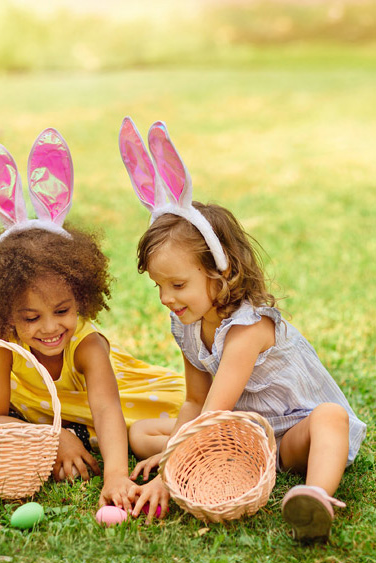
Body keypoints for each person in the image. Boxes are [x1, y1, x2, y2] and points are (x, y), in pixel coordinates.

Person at [119, 117, 367, 541]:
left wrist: (168, 474)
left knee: (331, 417)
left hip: (293, 434)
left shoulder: (247, 330)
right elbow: (195, 401)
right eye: (158, 285)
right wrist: (171, 450)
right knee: (141, 433)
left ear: (221, 271)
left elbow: (213, 410)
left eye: (178, 285)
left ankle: (315, 496)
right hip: (248, 433)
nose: (166, 298)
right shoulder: (188, 324)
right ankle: (237, 461)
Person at [0, 128, 184, 511]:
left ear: (81, 297)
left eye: (62, 311)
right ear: (8, 314)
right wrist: (54, 436)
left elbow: (108, 410)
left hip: (124, 399)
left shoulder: (87, 345)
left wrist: (115, 476)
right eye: (31, 317)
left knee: (157, 429)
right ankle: (58, 426)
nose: (49, 328)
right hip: (55, 414)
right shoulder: (2, 339)